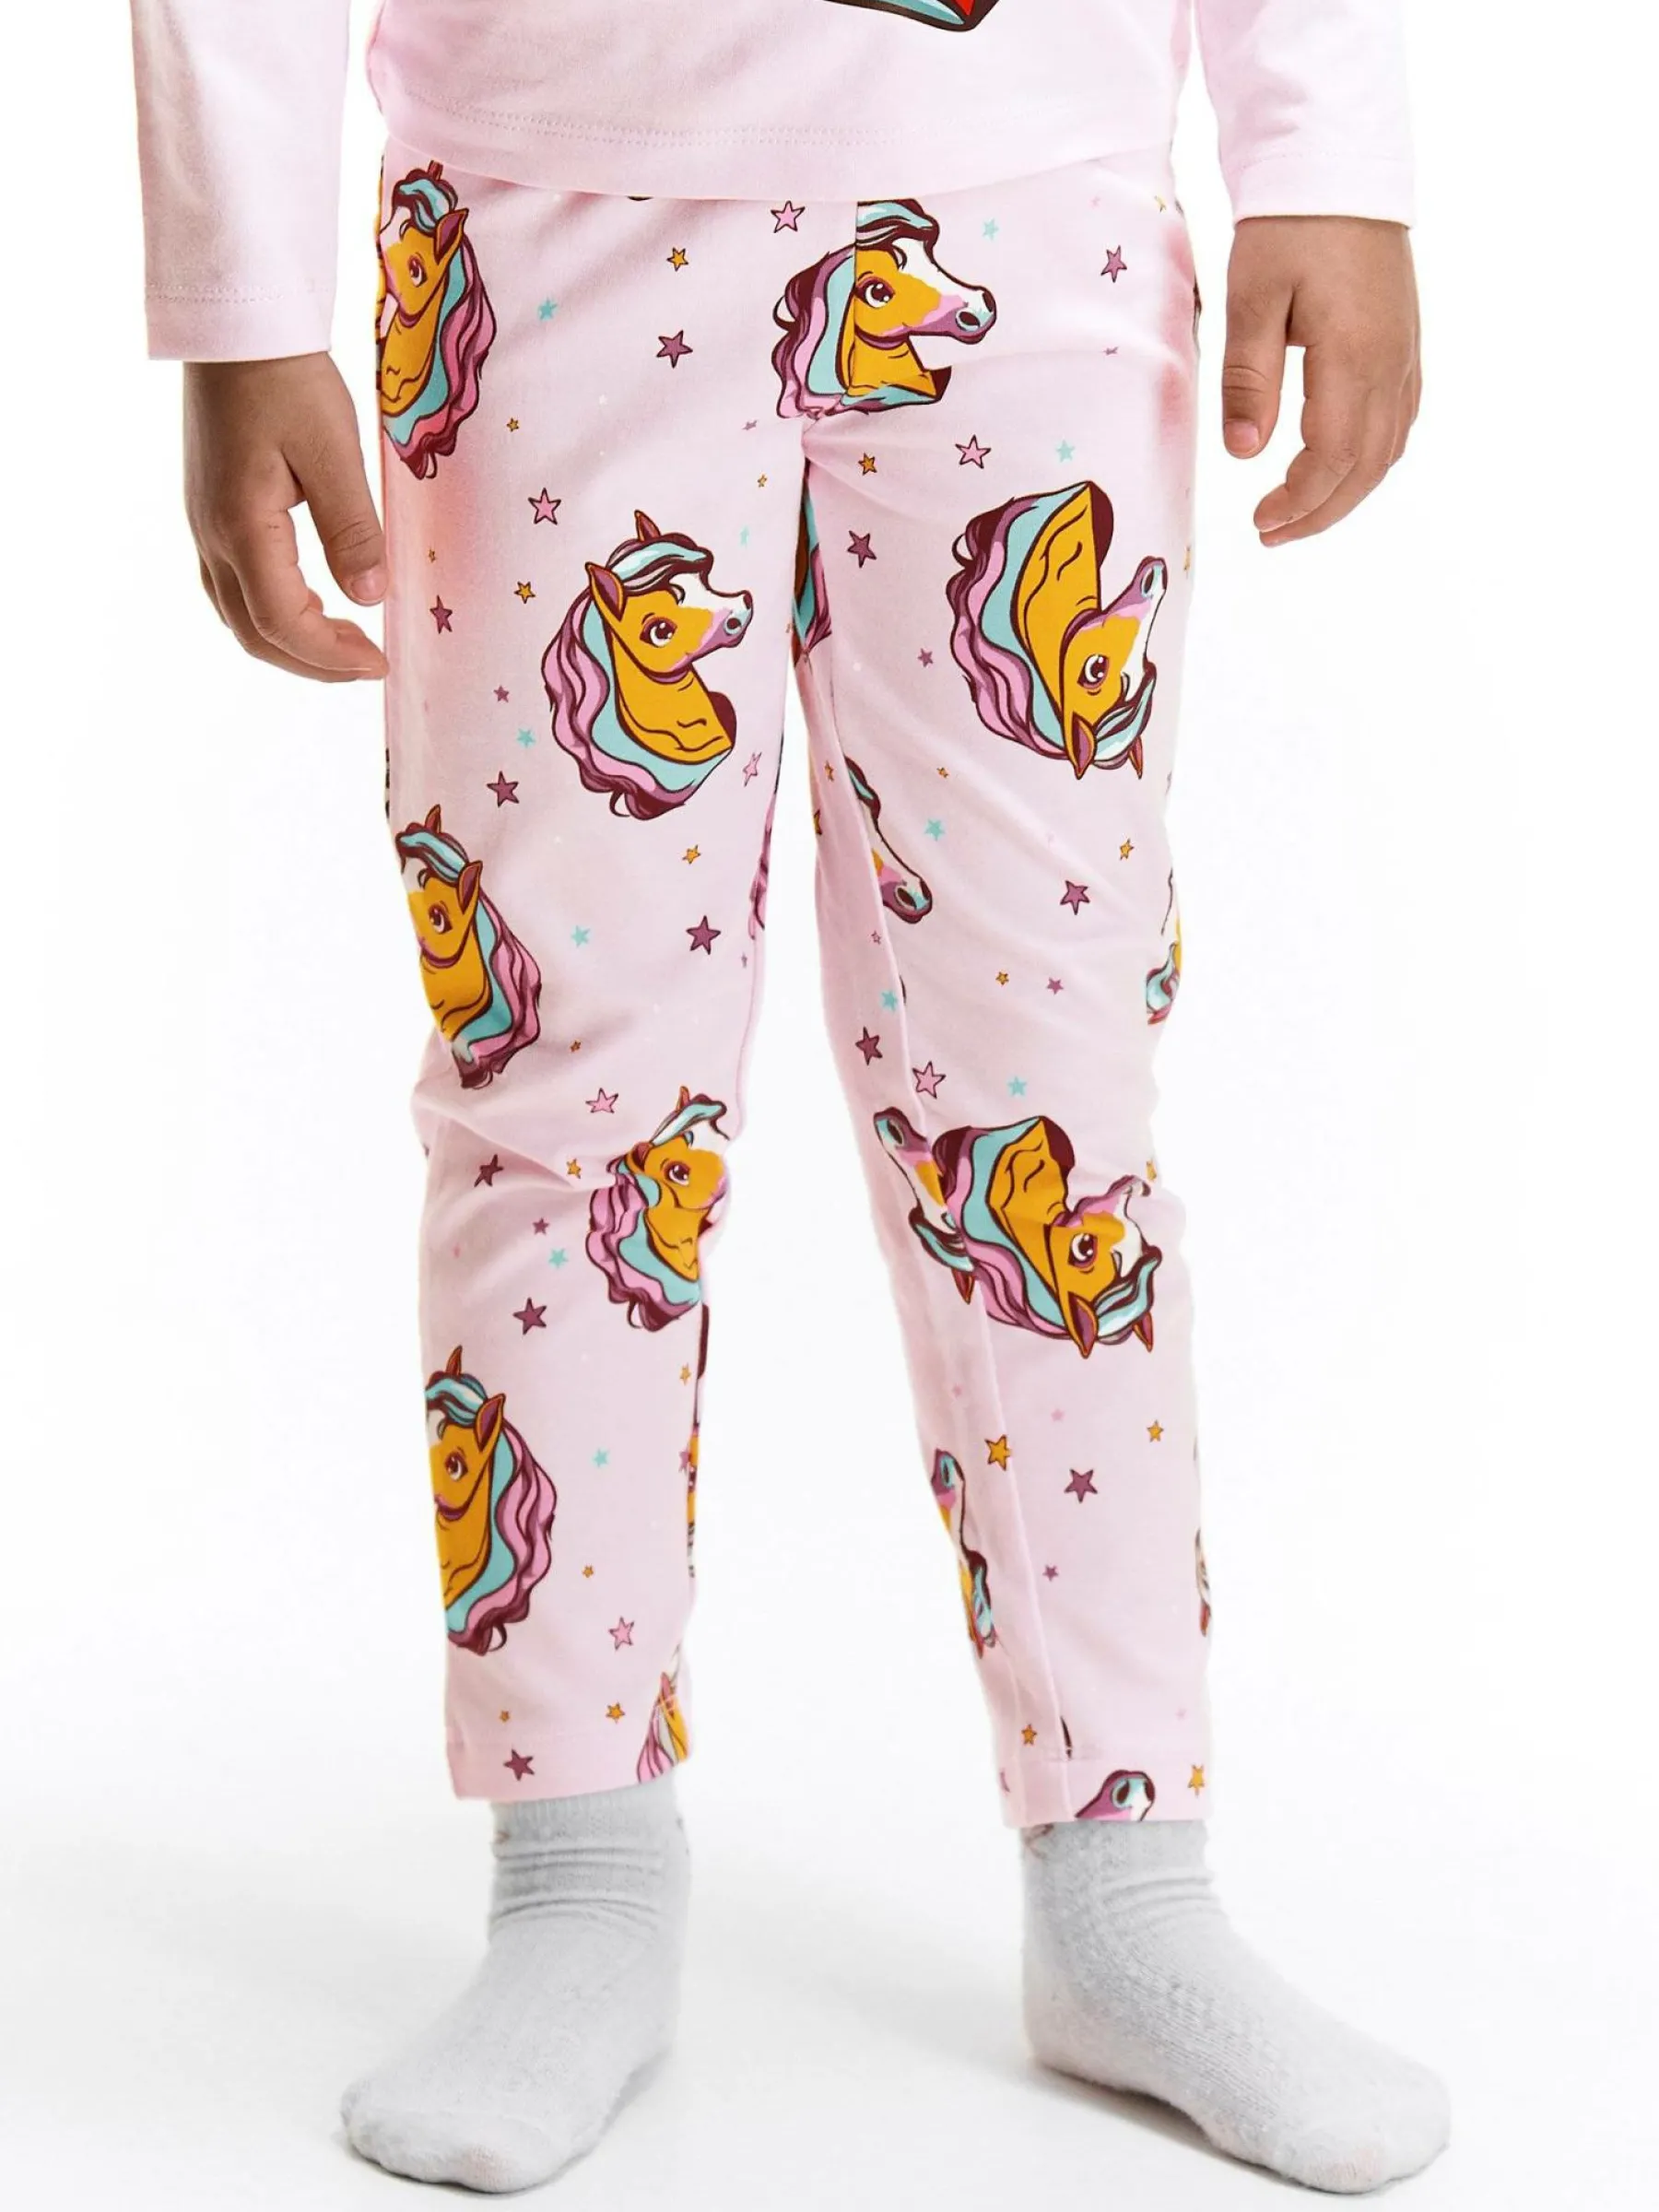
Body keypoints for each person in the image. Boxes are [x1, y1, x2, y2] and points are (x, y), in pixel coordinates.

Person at [128, 0, 1443, 2195]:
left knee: (1047, 1087)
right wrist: (235, 303)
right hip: (546, 212)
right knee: (565, 1089)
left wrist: (1326, 144)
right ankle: (577, 1870)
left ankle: (1125, 1873)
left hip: (1031, 211)